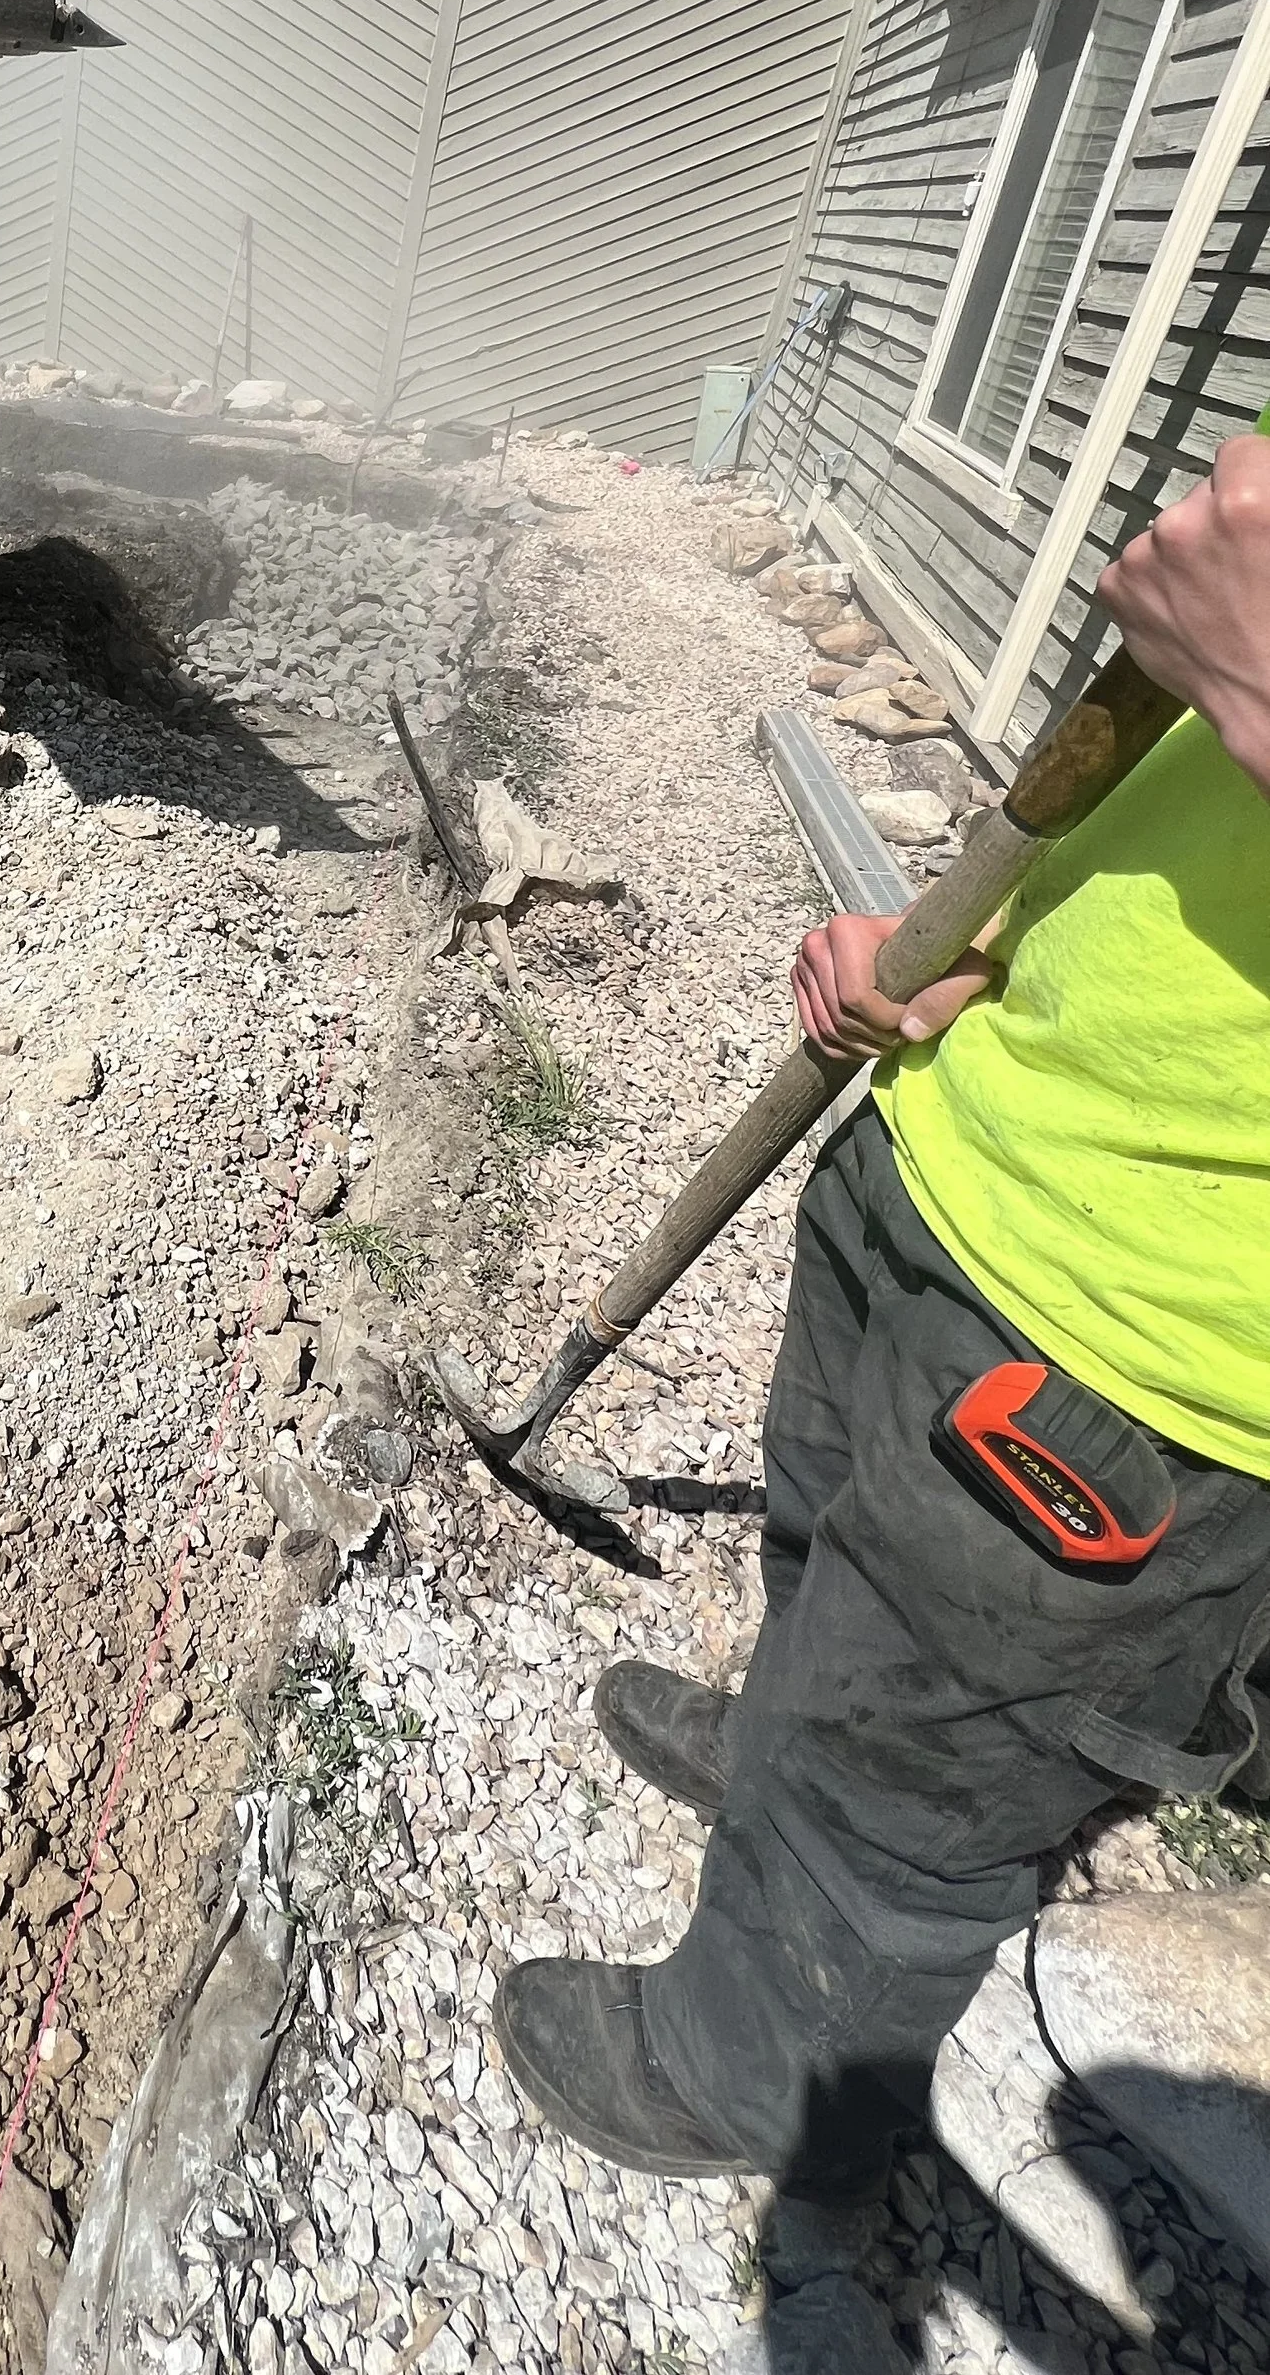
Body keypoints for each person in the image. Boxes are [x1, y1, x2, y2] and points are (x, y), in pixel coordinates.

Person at [493, 428, 1270, 2198]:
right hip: (967, 1151)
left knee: (920, 1777)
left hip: (1150, 1350)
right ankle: (783, 1745)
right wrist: (974, 961)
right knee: (823, 1534)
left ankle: (763, 2078)